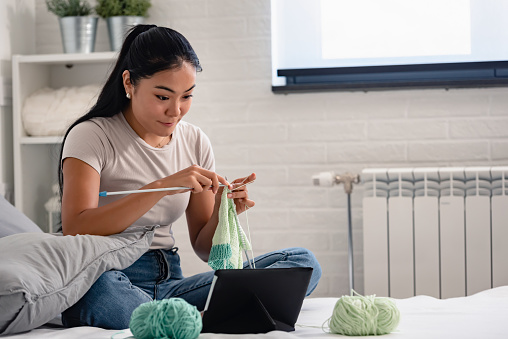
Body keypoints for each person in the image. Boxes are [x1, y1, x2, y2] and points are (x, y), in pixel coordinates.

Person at [58, 24, 322, 329]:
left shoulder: (195, 141)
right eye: (162, 96)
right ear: (129, 82)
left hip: (171, 284)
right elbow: (76, 226)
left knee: (303, 262)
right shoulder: (91, 135)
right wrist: (161, 187)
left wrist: (224, 216)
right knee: (96, 291)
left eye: (187, 96)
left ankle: (179, 319)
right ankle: (201, 319)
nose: (176, 111)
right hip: (111, 276)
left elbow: (204, 247)